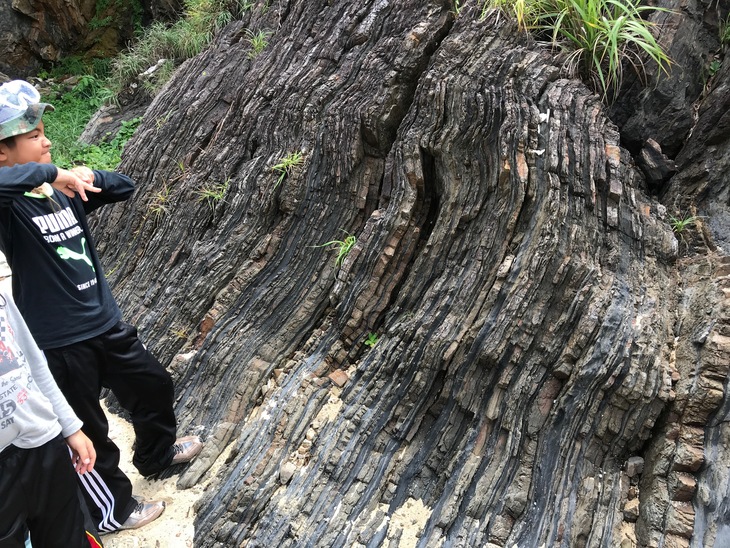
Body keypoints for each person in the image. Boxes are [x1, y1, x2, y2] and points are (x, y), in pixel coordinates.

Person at [0, 79, 203, 534]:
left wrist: (90, 177)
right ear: (3, 154)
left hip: (105, 324)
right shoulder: (11, 209)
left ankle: (155, 455)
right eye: (34, 137)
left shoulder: (60, 193)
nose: (47, 141)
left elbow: (125, 187)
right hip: (60, 342)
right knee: (90, 431)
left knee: (153, 386)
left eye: (44, 131)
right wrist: (52, 174)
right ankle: (112, 511)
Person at [0, 274, 104, 548]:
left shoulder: (2, 298)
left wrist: (70, 426)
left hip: (43, 441)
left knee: (69, 536)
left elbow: (35, 365)